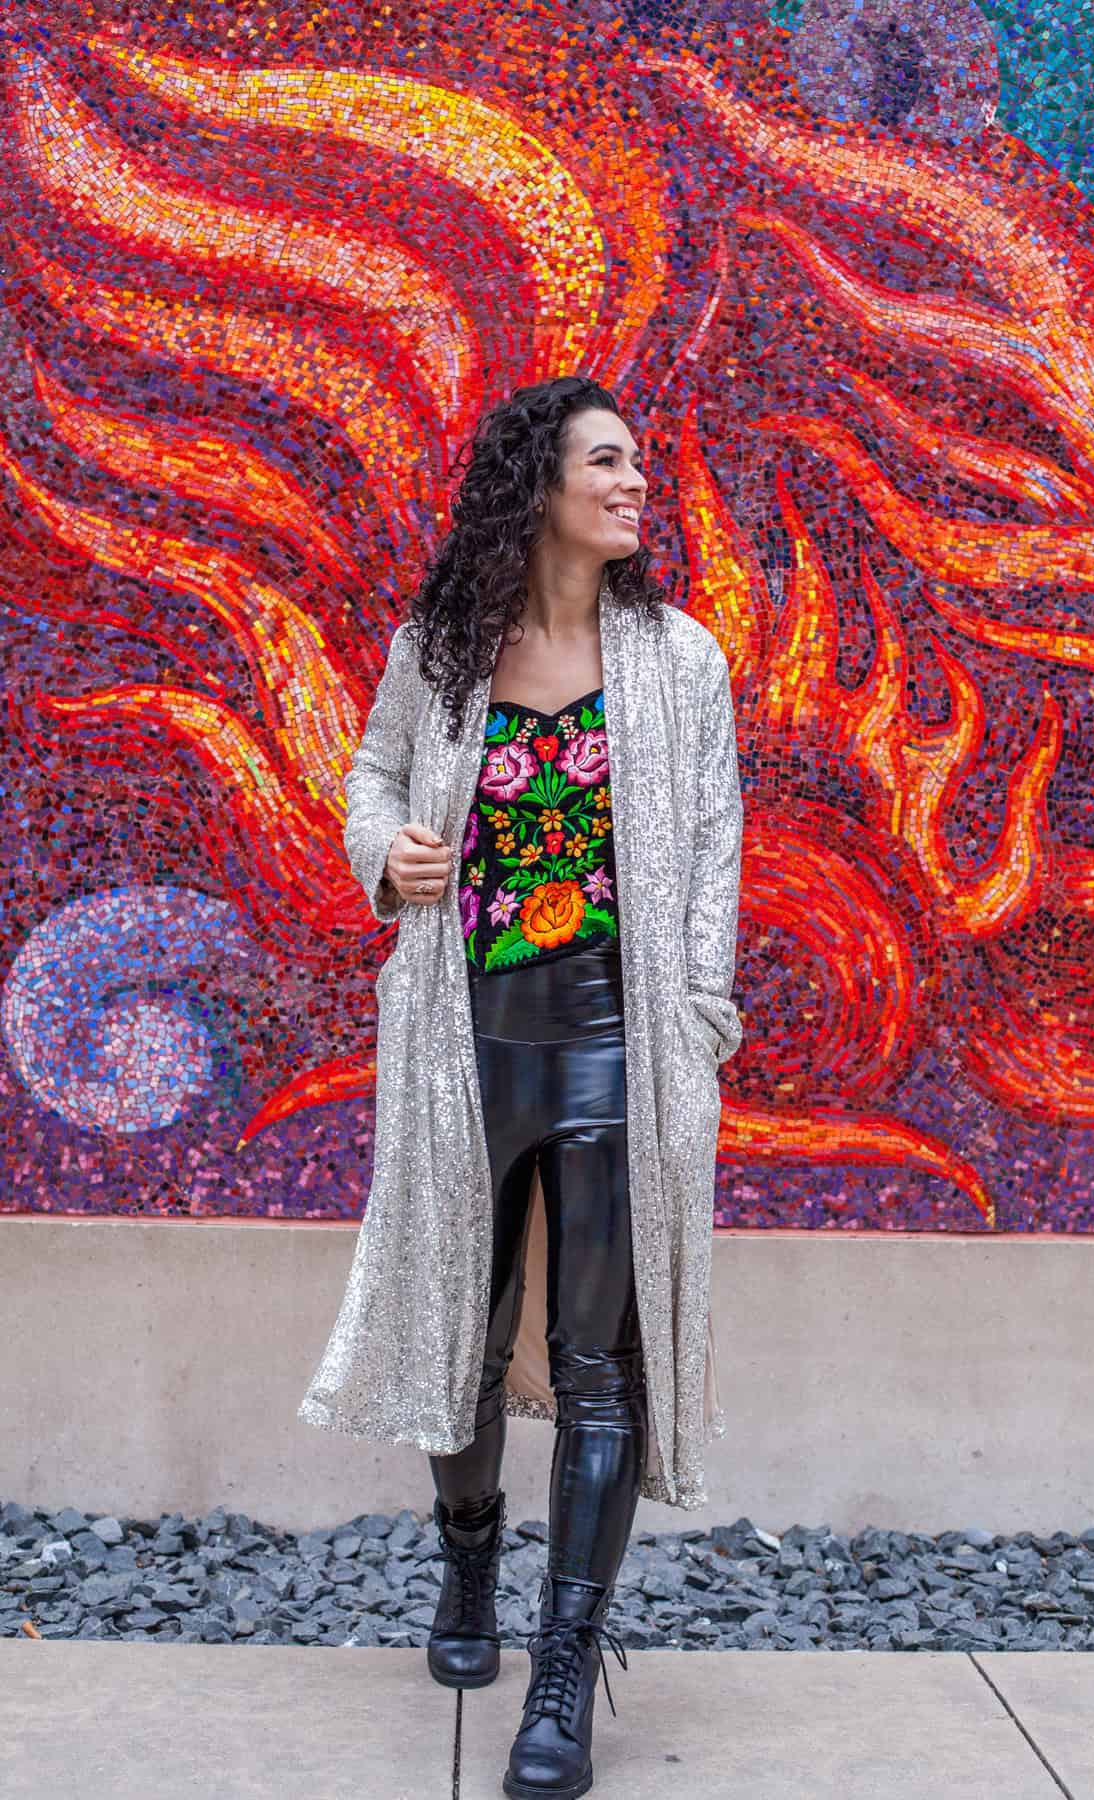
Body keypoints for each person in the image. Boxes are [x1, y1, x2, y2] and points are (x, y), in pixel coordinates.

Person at [300, 373, 744, 1799]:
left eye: (635, 466)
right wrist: (389, 851)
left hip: (625, 1044)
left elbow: (712, 859)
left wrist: (700, 1022)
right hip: (461, 1039)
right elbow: (370, 773)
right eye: (605, 464)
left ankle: (566, 1670)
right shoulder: (440, 651)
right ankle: (471, 1553)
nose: (634, 484)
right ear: (537, 487)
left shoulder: (681, 660)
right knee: (467, 1341)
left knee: (601, 1364)